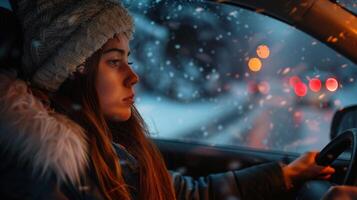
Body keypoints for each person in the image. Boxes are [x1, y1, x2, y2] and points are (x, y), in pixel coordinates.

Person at [0, 0, 335, 199]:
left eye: (128, 61)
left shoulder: (100, 149)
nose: (133, 76)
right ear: (71, 72)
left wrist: (286, 176)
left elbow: (181, 194)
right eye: (115, 62)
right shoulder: (45, 173)